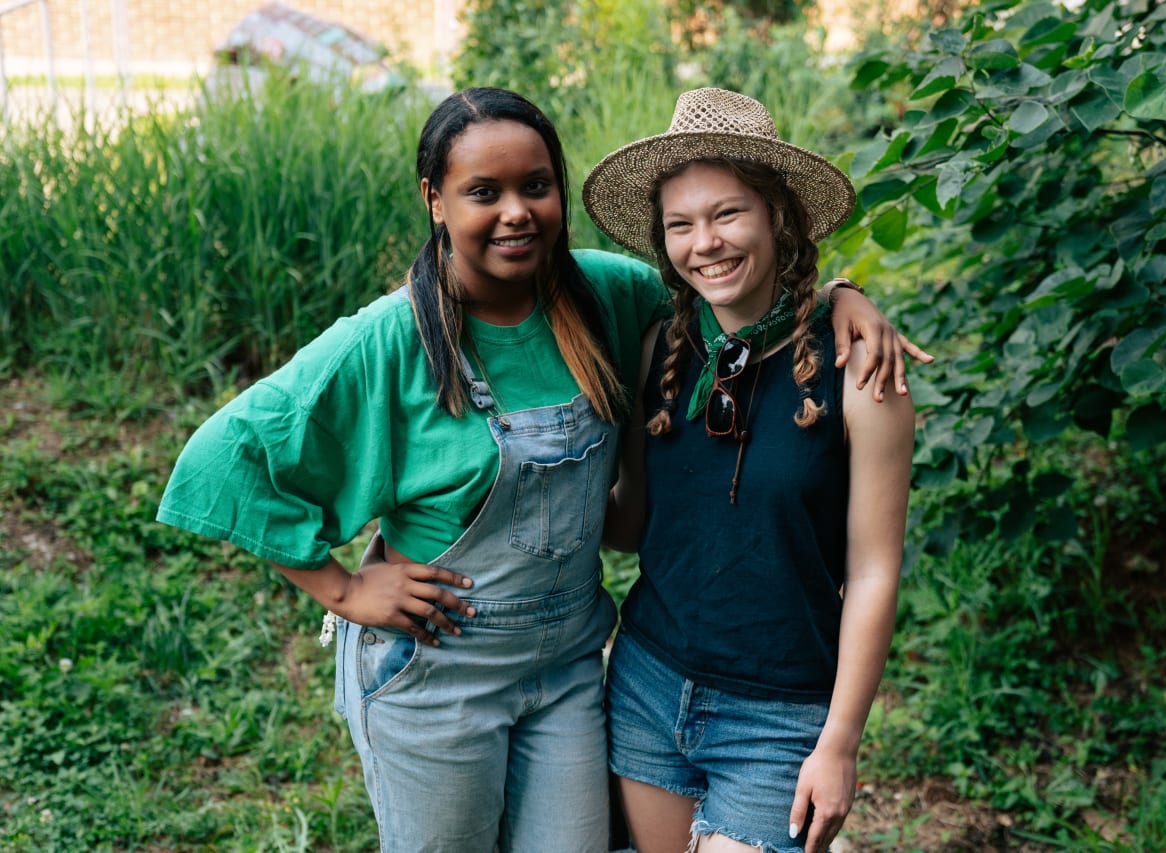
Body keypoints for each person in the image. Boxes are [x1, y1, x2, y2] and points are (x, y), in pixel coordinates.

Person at [156, 87, 918, 853]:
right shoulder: (388, 340)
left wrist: (841, 296)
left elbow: (735, 291)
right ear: (435, 200)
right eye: (483, 192)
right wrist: (343, 588)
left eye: (536, 186)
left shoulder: (606, 297)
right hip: (440, 676)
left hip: (567, 673)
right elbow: (223, 458)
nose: (515, 212)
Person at [581, 87, 916, 853]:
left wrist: (840, 742)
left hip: (780, 715)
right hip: (647, 684)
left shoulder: (861, 371)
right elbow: (632, 522)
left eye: (728, 213)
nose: (706, 242)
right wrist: (508, 498)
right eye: (680, 224)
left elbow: (873, 572)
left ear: (777, 216)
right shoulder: (658, 354)